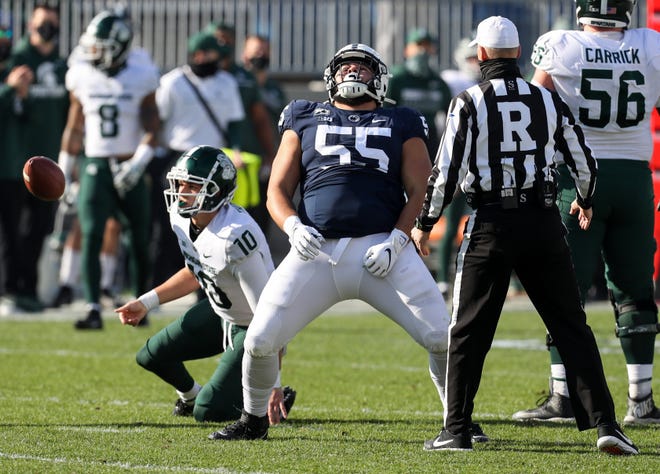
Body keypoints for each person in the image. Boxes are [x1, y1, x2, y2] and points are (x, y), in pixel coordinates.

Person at [412, 16, 638, 455]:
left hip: (491, 223)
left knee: (468, 331)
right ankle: (607, 425)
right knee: (572, 326)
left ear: (480, 54)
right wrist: (586, 199)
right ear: (518, 54)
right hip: (543, 221)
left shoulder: (469, 102)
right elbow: (584, 160)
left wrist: (425, 223)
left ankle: (456, 429)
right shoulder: (546, 99)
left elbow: (445, 172)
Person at [208, 42, 455, 443]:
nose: (353, 73)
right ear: (330, 77)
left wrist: (398, 238)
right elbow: (277, 191)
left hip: (383, 250)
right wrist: (291, 227)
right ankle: (253, 421)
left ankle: (457, 419)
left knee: (441, 337)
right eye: (345, 67)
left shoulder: (401, 119)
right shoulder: (304, 114)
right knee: (260, 339)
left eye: (362, 67)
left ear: (380, 78)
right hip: (315, 249)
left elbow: (422, 189)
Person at [512, 0, 660, 425]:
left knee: (564, 287)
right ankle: (642, 400)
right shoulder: (650, 44)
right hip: (634, 178)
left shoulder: (561, 44)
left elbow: (533, 110)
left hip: (577, 180)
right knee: (635, 287)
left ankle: (564, 397)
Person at [115, 145, 295, 424]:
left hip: (250, 329)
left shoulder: (234, 237)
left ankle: (270, 399)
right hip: (219, 312)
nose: (181, 192)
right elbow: (196, 269)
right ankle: (190, 396)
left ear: (217, 193)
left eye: (192, 186)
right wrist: (146, 302)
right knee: (150, 356)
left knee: (209, 412)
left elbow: (269, 318)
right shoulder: (183, 216)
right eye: (180, 183)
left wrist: (273, 384)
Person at [58, 10, 160, 330]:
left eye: (100, 46)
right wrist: (64, 171)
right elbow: (74, 127)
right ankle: (91, 307)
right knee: (90, 234)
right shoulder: (82, 75)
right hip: (96, 163)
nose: (93, 52)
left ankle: (141, 304)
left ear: (118, 47)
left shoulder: (141, 73)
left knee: (139, 237)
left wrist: (139, 162)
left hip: (130, 161)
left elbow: (154, 124)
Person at [153, 31, 245, 287]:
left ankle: (208, 287)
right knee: (170, 225)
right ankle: (159, 280)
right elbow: (156, 121)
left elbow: (235, 122)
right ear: (199, 54)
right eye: (215, 55)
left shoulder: (226, 82)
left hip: (213, 162)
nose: (218, 61)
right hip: (179, 160)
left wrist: (235, 149)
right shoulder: (172, 82)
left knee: (213, 227)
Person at [4, 2, 68, 313]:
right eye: (43, 23)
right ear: (31, 25)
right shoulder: (16, 60)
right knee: (13, 231)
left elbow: (70, 113)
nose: (47, 29)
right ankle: (13, 289)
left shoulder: (62, 65)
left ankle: (27, 288)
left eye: (52, 24)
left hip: (52, 161)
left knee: (39, 231)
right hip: (17, 163)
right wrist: (14, 90)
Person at [207, 22, 277, 231]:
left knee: (249, 217)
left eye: (227, 39)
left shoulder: (244, 78)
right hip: (211, 159)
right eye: (218, 38)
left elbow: (261, 119)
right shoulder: (195, 77)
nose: (222, 44)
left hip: (245, 158)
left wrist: (270, 154)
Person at [432, 38, 480, 297]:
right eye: (471, 58)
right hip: (458, 160)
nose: (476, 63)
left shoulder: (484, 82)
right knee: (450, 222)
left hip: (480, 161)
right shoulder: (452, 80)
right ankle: (442, 278)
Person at [0, 21, 34, 315]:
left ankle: (11, 290)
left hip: (11, 169)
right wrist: (11, 90)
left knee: (13, 234)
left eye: (5, 33)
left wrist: (21, 95)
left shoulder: (14, 69)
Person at [386, 28, 452, 157]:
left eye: (427, 46)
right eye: (418, 45)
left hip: (429, 140)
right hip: (399, 136)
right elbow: (383, 112)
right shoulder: (395, 79)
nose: (423, 51)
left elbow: (451, 115)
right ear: (407, 50)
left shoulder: (438, 82)